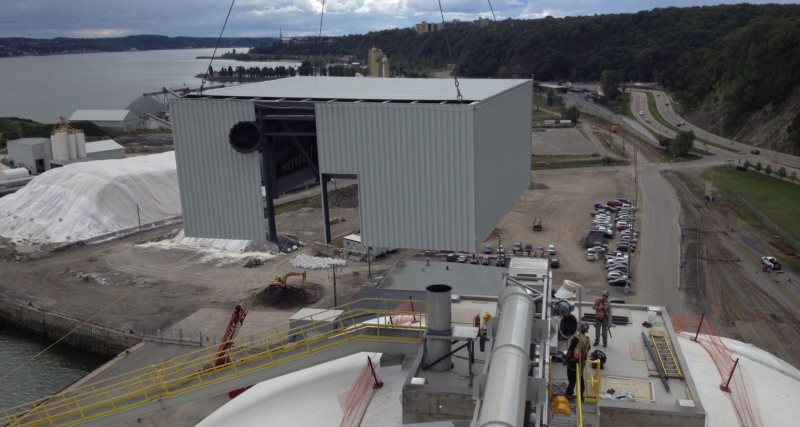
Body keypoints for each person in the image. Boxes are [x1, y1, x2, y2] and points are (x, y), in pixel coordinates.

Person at [564, 323, 591, 398]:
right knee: (580, 377)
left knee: (572, 378)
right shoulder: (588, 340)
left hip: (573, 362)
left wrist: (566, 360)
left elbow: (570, 350)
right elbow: (587, 350)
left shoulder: (576, 338)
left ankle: (569, 393)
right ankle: (580, 395)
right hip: (582, 362)